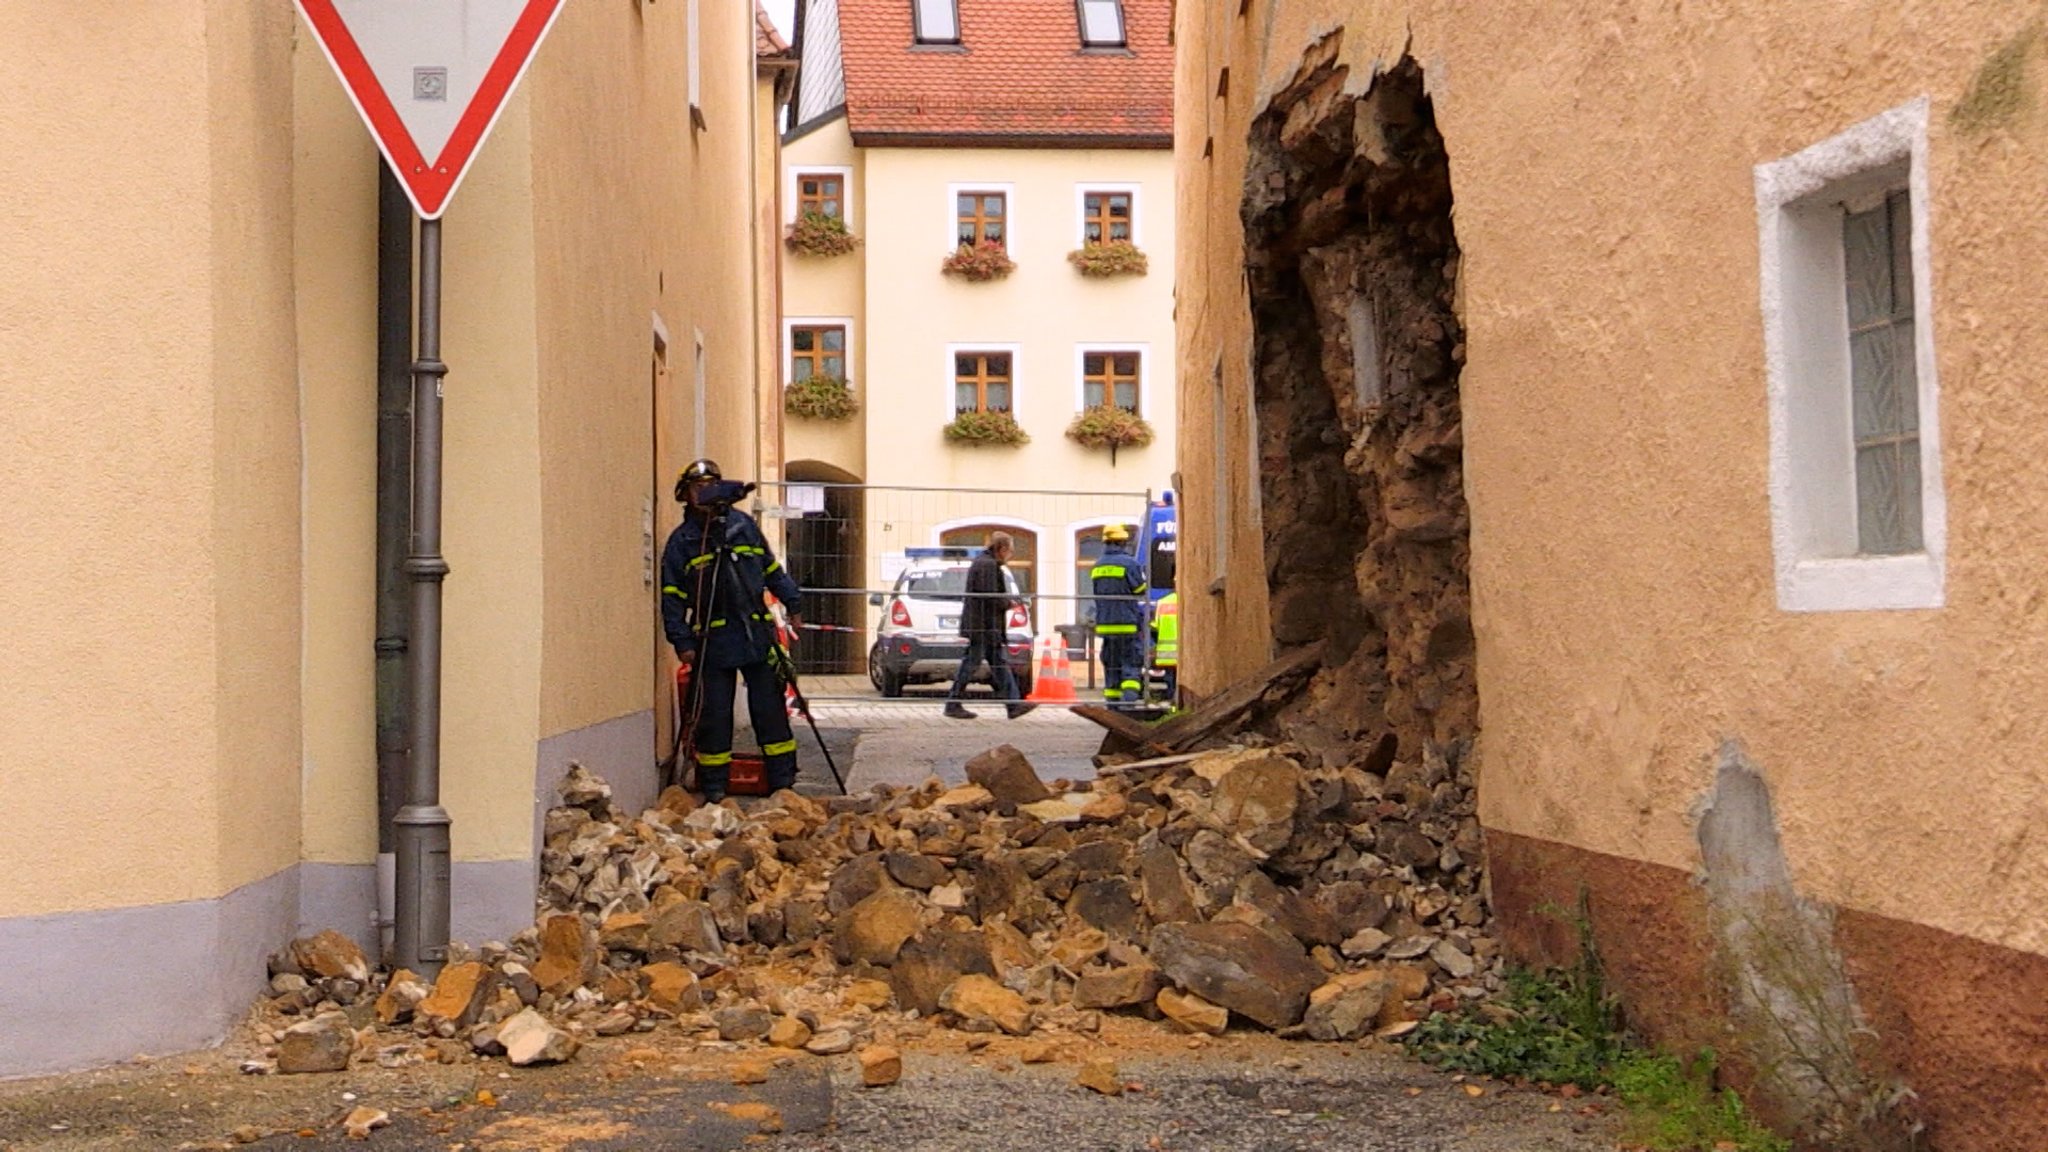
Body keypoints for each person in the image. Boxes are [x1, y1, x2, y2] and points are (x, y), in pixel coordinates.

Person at [660, 458, 804, 801]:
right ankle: (714, 789)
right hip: (712, 640)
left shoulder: (743, 527)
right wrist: (681, 640)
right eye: (698, 488)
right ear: (685, 495)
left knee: (770, 710)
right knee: (715, 715)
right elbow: (671, 597)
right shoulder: (683, 541)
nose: (705, 493)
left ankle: (783, 784)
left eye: (711, 486)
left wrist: (793, 603)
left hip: (756, 632)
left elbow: (771, 569)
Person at [944, 532, 1035, 721]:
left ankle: (1013, 705)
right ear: (1001, 549)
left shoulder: (986, 563)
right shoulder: (988, 565)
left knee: (998, 664)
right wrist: (1009, 603)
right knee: (971, 664)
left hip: (985, 625)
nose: (1011, 554)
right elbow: (989, 597)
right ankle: (952, 703)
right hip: (984, 626)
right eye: (1010, 550)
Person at [1090, 524, 1147, 709]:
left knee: (1111, 667)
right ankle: (1128, 706)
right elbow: (1140, 590)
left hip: (1105, 625)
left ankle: (1112, 708)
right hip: (1127, 624)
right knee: (1130, 667)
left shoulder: (1097, 566)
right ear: (1123, 542)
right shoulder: (1129, 563)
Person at [1150, 589, 1179, 702]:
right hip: (1182, 649)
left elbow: (1155, 625)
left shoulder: (1162, 602)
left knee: (1169, 676)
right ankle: (1175, 700)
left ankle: (1170, 697)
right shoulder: (1186, 601)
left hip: (1166, 648)